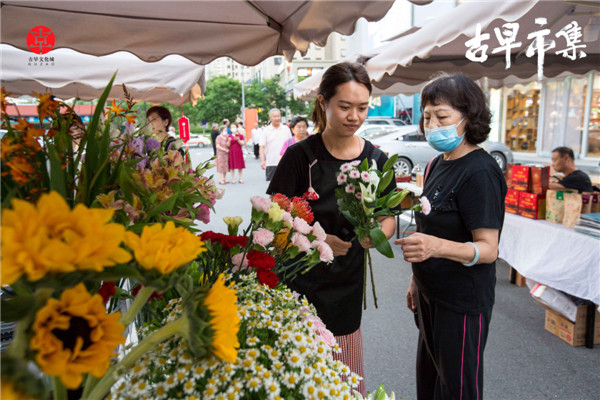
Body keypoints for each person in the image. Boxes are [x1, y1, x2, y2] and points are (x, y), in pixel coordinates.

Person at [266, 62, 398, 396]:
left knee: (344, 378)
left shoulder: (376, 160)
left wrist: (378, 233)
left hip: (346, 287)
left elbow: (389, 215)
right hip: (298, 284)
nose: (354, 116)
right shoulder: (300, 157)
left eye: (362, 108)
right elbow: (272, 219)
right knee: (298, 378)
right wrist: (316, 239)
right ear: (323, 103)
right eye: (345, 106)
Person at [394, 73, 507, 400]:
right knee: (430, 383)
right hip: (431, 294)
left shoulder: (481, 172)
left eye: (441, 116)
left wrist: (435, 248)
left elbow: (488, 250)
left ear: (469, 117)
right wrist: (416, 280)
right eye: (427, 117)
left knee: (458, 390)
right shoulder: (435, 165)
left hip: (462, 300)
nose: (432, 125)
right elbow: (430, 226)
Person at [260, 108, 292, 181]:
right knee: (273, 187)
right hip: (271, 162)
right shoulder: (266, 130)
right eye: (275, 116)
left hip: (285, 162)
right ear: (270, 118)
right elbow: (262, 147)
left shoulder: (286, 129)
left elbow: (291, 145)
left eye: (278, 116)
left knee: (286, 184)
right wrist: (262, 161)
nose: (277, 118)